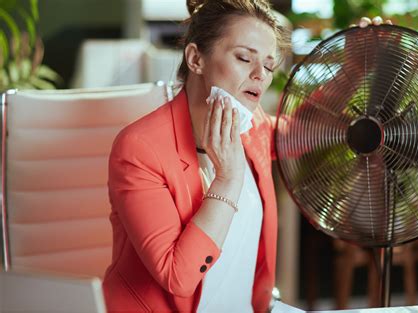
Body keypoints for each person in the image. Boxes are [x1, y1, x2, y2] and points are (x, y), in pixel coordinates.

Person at [102, 0, 390, 311]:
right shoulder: (139, 148)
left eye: (268, 65)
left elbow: (300, 132)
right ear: (196, 58)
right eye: (244, 58)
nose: (260, 75)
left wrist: (353, 69)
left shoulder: (251, 128)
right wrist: (228, 179)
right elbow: (178, 277)